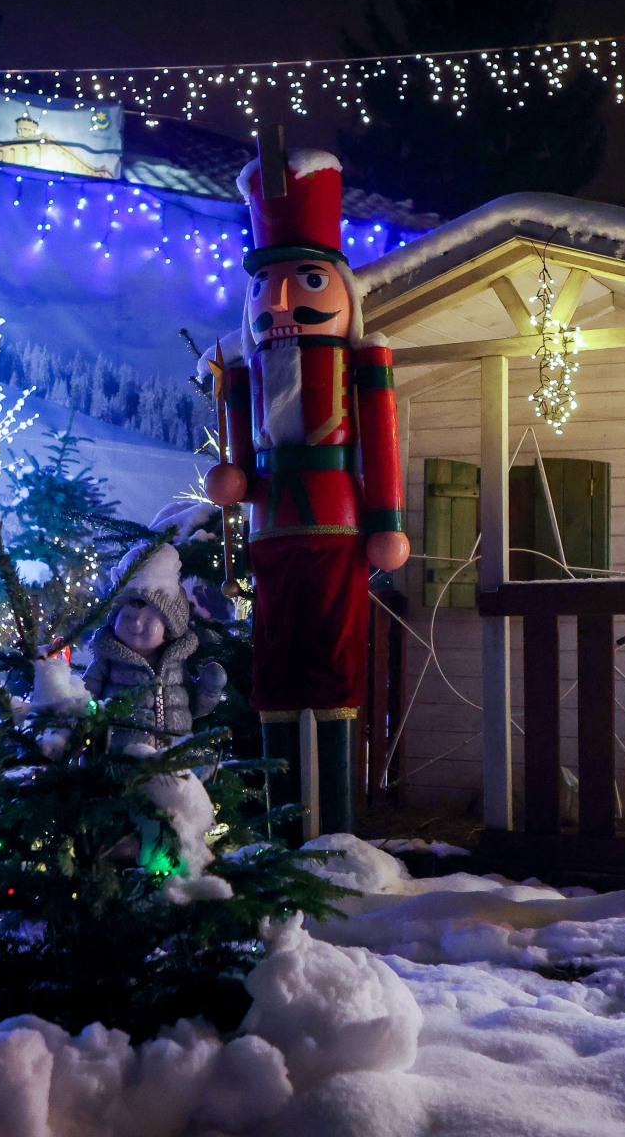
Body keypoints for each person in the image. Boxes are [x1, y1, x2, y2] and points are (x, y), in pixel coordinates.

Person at [202, 137, 407, 836]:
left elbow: (380, 440)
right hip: (271, 529)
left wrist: (387, 520)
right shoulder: (246, 371)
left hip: (338, 521)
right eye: (266, 285)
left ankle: (338, 829)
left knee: (335, 654)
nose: (283, 299)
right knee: (276, 658)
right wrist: (232, 479)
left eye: (307, 279)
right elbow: (240, 459)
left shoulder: (362, 364)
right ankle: (284, 828)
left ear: (342, 288)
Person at [82, 543, 225, 748]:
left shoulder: (176, 666)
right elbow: (85, 700)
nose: (136, 624)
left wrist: (210, 690)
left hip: (174, 756)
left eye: (149, 620)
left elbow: (194, 706)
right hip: (124, 757)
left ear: (170, 629)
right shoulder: (107, 664)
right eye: (128, 616)